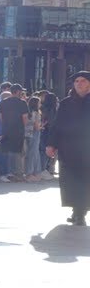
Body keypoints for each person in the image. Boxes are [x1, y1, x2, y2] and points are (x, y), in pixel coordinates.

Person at [46, 72, 90, 226]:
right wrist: (51, 144)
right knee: (70, 181)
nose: (79, 83)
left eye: (83, 81)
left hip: (87, 149)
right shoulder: (66, 103)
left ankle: (80, 212)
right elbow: (57, 124)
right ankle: (76, 209)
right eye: (76, 81)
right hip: (68, 148)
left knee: (85, 179)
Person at [0, 84, 29, 182]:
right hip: (18, 131)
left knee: (6, 152)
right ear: (18, 92)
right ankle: (18, 173)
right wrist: (22, 126)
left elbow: (1, 117)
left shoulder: (3, 102)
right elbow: (25, 118)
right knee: (18, 152)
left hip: (6, 130)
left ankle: (7, 172)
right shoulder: (22, 103)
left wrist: (6, 125)